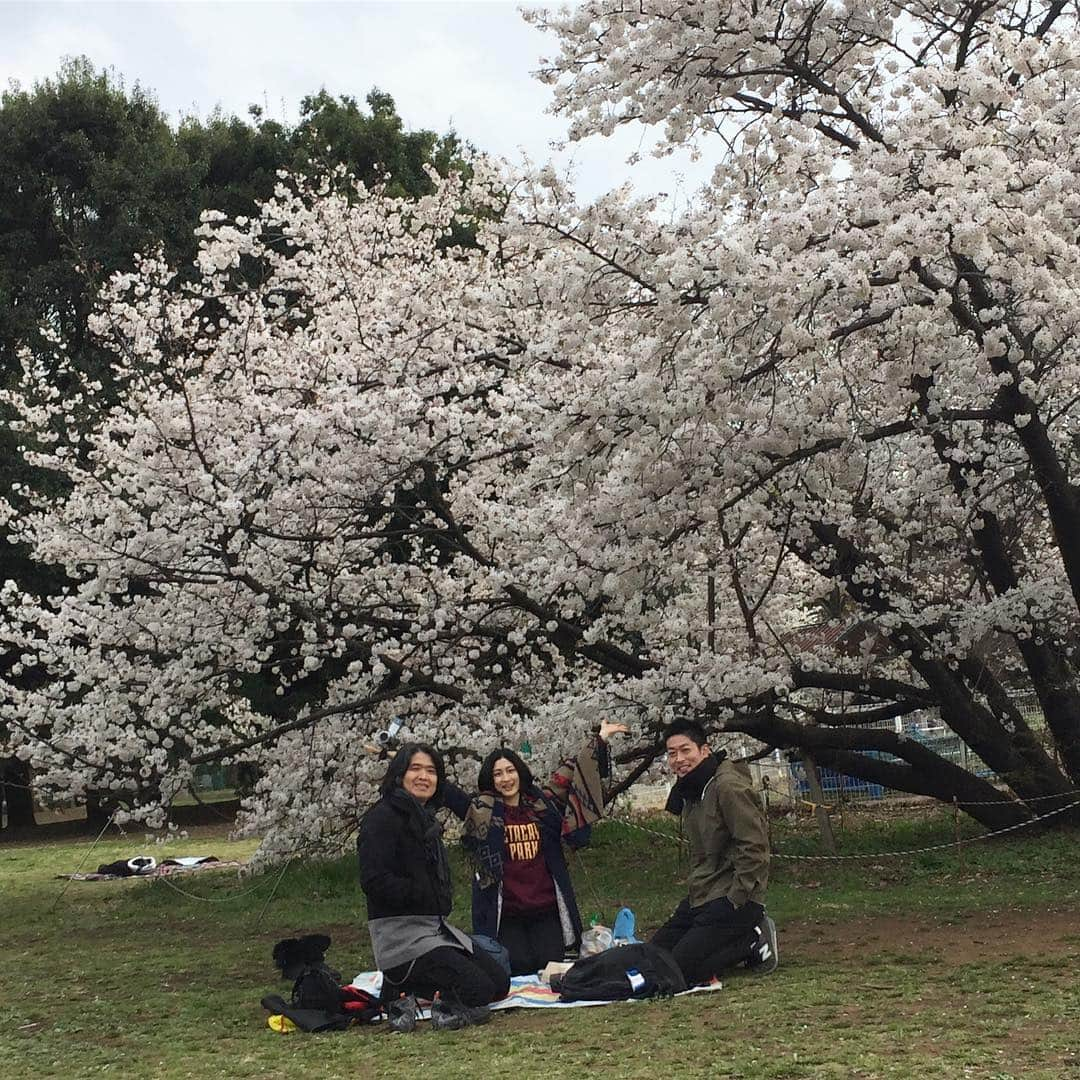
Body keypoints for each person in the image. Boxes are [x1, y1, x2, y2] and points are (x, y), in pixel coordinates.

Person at [443, 721, 629, 976]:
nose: (506, 779)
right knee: (518, 966)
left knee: (548, 962)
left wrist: (601, 738)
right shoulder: (482, 811)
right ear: (490, 779)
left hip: (545, 907)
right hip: (507, 911)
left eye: (510, 771)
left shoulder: (543, 805)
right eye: (498, 774)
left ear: (519, 772)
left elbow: (574, 770)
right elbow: (446, 791)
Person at [356, 742, 510, 1026]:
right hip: (401, 935)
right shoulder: (382, 817)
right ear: (399, 773)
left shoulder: (423, 816)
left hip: (434, 927)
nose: (423, 777)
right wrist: (422, 894)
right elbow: (373, 880)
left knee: (499, 981)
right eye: (415, 769)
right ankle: (400, 984)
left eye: (431, 771)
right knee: (478, 989)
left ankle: (410, 987)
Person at [649, 719, 778, 984]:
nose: (679, 759)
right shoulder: (691, 790)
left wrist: (737, 897)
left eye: (686, 751)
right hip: (703, 894)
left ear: (704, 750)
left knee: (680, 971)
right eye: (672, 753)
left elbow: (754, 846)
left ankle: (753, 939)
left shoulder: (727, 787)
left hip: (736, 899)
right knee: (653, 957)